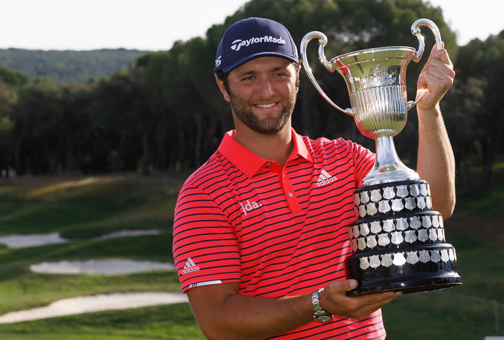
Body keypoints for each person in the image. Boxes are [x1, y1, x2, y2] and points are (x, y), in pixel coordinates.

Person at [172, 17, 456, 339]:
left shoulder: (344, 158)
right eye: (248, 77)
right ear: (224, 86)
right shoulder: (203, 193)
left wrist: (429, 109)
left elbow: (436, 207)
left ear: (297, 80)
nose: (266, 91)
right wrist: (318, 304)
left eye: (279, 74)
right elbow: (217, 322)